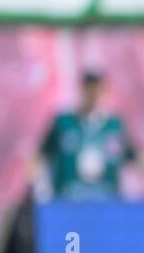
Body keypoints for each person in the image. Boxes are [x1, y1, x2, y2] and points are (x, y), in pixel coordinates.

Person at [36, 70, 138, 202]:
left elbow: (133, 157)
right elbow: (41, 155)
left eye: (96, 91)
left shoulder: (115, 126)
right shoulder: (63, 123)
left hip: (106, 200)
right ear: (81, 91)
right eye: (89, 91)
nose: (92, 96)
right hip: (68, 200)